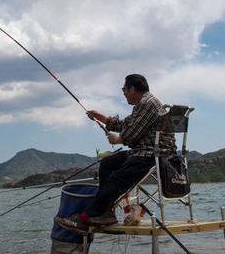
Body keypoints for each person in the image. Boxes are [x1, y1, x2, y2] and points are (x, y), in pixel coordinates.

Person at [54, 74, 176, 232]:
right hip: (144, 151)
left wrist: (118, 139)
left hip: (154, 155)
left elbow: (131, 134)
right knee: (107, 163)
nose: (123, 93)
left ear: (132, 88)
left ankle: (86, 217)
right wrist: (102, 118)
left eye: (124, 89)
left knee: (116, 178)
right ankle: (105, 213)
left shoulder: (147, 103)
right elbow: (126, 124)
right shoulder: (143, 103)